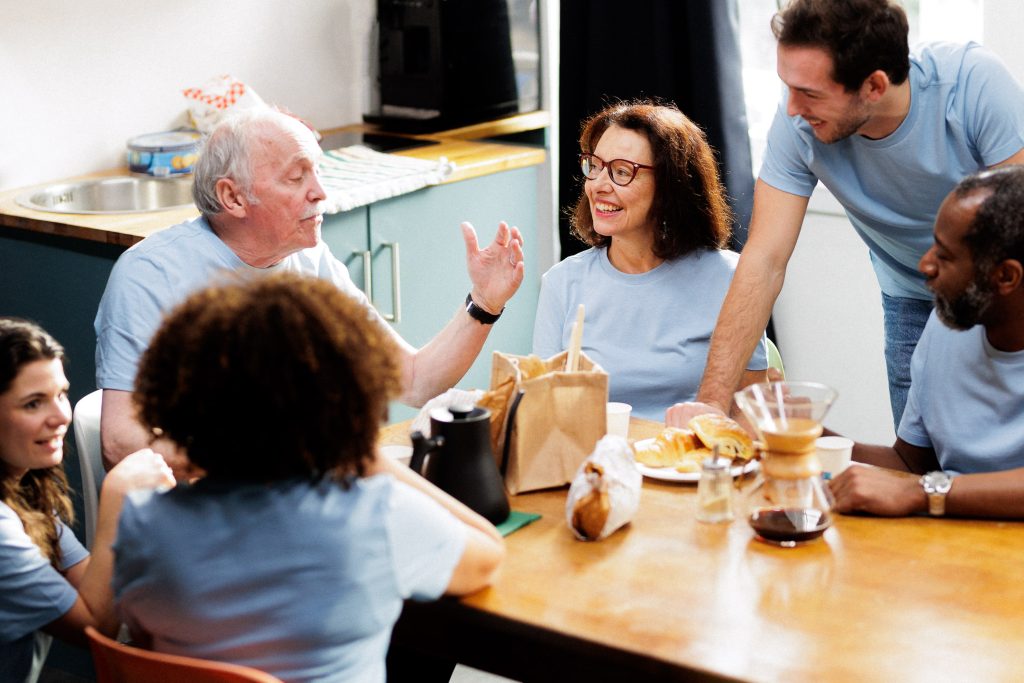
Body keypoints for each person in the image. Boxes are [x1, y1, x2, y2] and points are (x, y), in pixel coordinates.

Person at [111, 273, 505, 682]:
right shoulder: (373, 516)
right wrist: (372, 461)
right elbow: (488, 557)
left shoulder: (143, 524)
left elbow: (145, 637)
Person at [95, 106, 525, 474]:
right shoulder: (151, 273)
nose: (320, 192)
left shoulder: (308, 261)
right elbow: (119, 442)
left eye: (316, 171)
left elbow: (413, 381)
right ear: (233, 198)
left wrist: (484, 304)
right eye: (296, 177)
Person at [668, 0, 1024, 430]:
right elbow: (763, 261)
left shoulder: (972, 84)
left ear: (873, 86)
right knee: (921, 464)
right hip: (909, 296)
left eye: (810, 93)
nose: (793, 108)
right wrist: (711, 404)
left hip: (1002, 297)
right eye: (788, 87)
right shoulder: (797, 125)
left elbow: (1016, 227)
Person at [532, 101, 768, 421]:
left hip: (690, 463)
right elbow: (542, 408)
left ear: (671, 187)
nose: (599, 185)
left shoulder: (731, 278)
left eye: (621, 172)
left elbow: (751, 409)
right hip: (595, 464)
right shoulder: (561, 282)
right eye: (595, 166)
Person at [830, 166, 1024, 518]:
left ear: (1006, 276)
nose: (925, 265)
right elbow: (909, 463)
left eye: (944, 256)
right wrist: (814, 436)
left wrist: (925, 493)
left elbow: (915, 486)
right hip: (951, 548)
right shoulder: (943, 326)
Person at [0, 318, 173, 683]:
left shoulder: (26, 494)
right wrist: (117, 496)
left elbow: (94, 586)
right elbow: (95, 628)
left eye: (60, 394)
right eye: (33, 403)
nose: (62, 415)